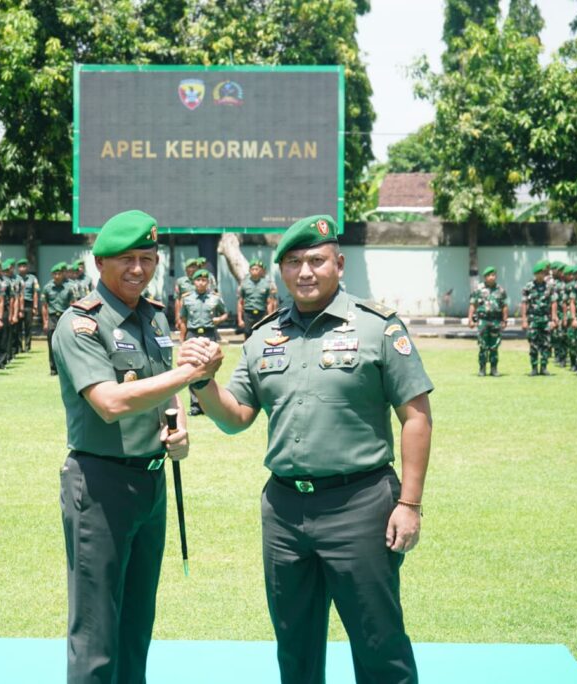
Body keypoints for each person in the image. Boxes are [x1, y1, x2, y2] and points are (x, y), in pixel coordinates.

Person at [183, 214, 431, 684]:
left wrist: (410, 503)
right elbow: (236, 416)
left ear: (338, 263)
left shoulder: (377, 327)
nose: (305, 271)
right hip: (285, 512)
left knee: (379, 644)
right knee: (295, 646)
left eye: (316, 260)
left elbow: (416, 416)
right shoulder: (263, 336)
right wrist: (202, 382)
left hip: (361, 504)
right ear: (281, 271)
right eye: (293, 262)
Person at [52, 209, 201, 684]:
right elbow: (110, 402)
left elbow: (161, 388)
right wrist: (187, 375)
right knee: (97, 633)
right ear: (99, 262)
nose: (138, 269)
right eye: (126, 259)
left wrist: (176, 426)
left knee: (137, 627)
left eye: (147, 258)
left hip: (150, 484)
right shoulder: (81, 325)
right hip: (101, 486)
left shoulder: (153, 318)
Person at [178, 268, 228, 415]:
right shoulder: (187, 299)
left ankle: (208, 405)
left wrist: (218, 319)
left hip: (209, 335)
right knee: (191, 369)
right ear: (194, 282)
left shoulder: (215, 298)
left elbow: (225, 313)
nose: (201, 283)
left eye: (204, 280)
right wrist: (182, 339)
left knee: (209, 369)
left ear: (208, 282)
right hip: (192, 334)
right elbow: (183, 320)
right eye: (198, 280)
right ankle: (195, 405)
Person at [467, 266, 508, 376]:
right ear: (485, 277)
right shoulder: (478, 289)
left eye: (493, 275)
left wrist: (505, 320)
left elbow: (504, 306)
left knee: (494, 346)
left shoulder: (500, 290)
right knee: (483, 346)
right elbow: (472, 304)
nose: (491, 277)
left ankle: (494, 369)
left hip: (496, 321)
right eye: (489, 275)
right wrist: (470, 319)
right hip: (483, 321)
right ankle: (482, 369)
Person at [520, 260, 557, 375]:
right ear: (535, 274)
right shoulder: (529, 287)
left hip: (545, 319)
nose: (541, 275)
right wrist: (524, 320)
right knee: (533, 344)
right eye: (539, 273)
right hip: (533, 319)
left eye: (543, 273)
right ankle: (534, 368)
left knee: (546, 344)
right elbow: (524, 303)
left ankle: (544, 367)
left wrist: (554, 317)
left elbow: (554, 302)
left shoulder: (549, 287)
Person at [42, 262, 74, 376]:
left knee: (66, 343)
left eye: (59, 273)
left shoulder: (69, 288)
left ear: (62, 274)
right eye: (55, 274)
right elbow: (44, 306)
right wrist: (45, 321)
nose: (57, 276)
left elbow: (72, 304)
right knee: (51, 343)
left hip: (64, 317)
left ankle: (65, 368)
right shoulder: (47, 288)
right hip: (52, 318)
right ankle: (53, 368)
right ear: (52, 275)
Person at [237, 259, 277, 339]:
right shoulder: (244, 284)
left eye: (257, 269)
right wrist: (240, 319)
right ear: (249, 270)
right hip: (248, 313)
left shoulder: (266, 284)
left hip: (261, 313)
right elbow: (240, 302)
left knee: (261, 335)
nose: (255, 271)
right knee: (248, 335)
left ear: (261, 270)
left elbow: (269, 302)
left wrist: (269, 316)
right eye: (252, 269)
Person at [17, 258, 39, 352]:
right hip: (17, 305)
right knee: (17, 327)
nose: (22, 268)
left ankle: (27, 346)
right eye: (21, 266)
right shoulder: (16, 278)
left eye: (24, 266)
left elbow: (35, 293)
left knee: (28, 326)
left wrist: (35, 306)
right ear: (18, 268)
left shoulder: (33, 278)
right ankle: (18, 347)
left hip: (29, 304)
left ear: (27, 267)